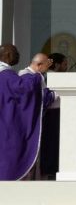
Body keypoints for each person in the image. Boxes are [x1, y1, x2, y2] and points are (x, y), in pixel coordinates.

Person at [0, 45, 50, 181]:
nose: (19, 54)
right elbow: (23, 89)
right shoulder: (6, 75)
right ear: (8, 55)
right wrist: (37, 73)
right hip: (6, 128)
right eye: (16, 52)